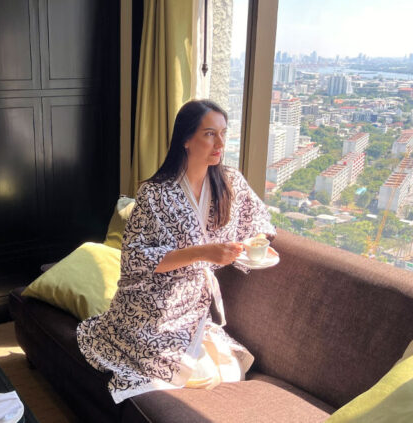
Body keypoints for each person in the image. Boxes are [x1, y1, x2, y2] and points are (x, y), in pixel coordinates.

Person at [77, 99, 276, 404]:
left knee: (231, 369)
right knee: (197, 375)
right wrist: (204, 252)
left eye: (223, 133)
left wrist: (254, 244)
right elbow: (136, 258)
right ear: (186, 139)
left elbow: (258, 221)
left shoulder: (230, 183)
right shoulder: (155, 193)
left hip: (195, 311)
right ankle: (126, 340)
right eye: (210, 134)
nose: (220, 143)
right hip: (152, 308)